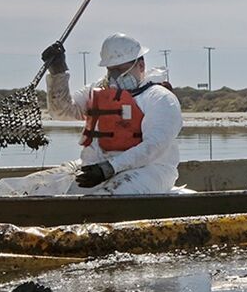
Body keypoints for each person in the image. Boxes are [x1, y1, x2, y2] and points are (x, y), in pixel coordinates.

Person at [41, 33, 182, 195]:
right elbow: (62, 112)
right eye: (111, 70)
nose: (115, 77)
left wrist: (109, 168)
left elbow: (154, 146)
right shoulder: (98, 91)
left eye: (121, 70)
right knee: (46, 188)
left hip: (151, 171)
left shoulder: (160, 98)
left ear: (140, 66)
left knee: (110, 195)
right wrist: (58, 73)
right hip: (99, 168)